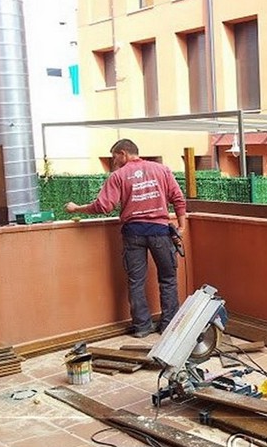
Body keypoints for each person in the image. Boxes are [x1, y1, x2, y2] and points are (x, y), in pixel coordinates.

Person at [65, 138, 187, 338]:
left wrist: (76, 208)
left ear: (123, 153)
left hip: (133, 233)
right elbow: (178, 198)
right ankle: (169, 326)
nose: (114, 162)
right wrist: (181, 226)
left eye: (114, 157)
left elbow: (103, 206)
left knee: (136, 281)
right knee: (168, 279)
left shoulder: (118, 176)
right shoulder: (162, 170)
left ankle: (142, 327)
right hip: (160, 232)